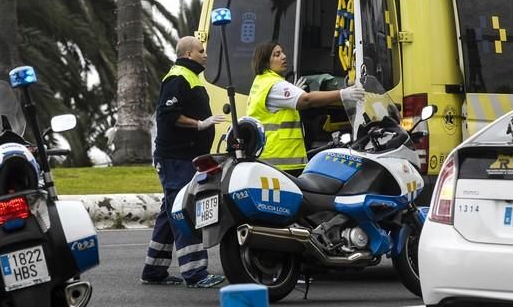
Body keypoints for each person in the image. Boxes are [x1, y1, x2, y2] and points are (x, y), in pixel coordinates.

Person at [140, 36, 226, 288]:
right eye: (201, 51)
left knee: (170, 212)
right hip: (175, 158)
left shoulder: (190, 77)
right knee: (184, 211)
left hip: (183, 157)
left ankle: (153, 271)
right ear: (188, 54)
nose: (205, 55)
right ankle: (196, 273)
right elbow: (168, 115)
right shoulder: (178, 77)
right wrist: (200, 124)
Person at [246, 41, 364, 173]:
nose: (284, 56)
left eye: (282, 52)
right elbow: (307, 100)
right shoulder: (274, 85)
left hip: (271, 160)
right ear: (265, 62)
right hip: (282, 163)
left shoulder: (261, 82)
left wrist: (293, 93)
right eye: (277, 55)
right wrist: (343, 94)